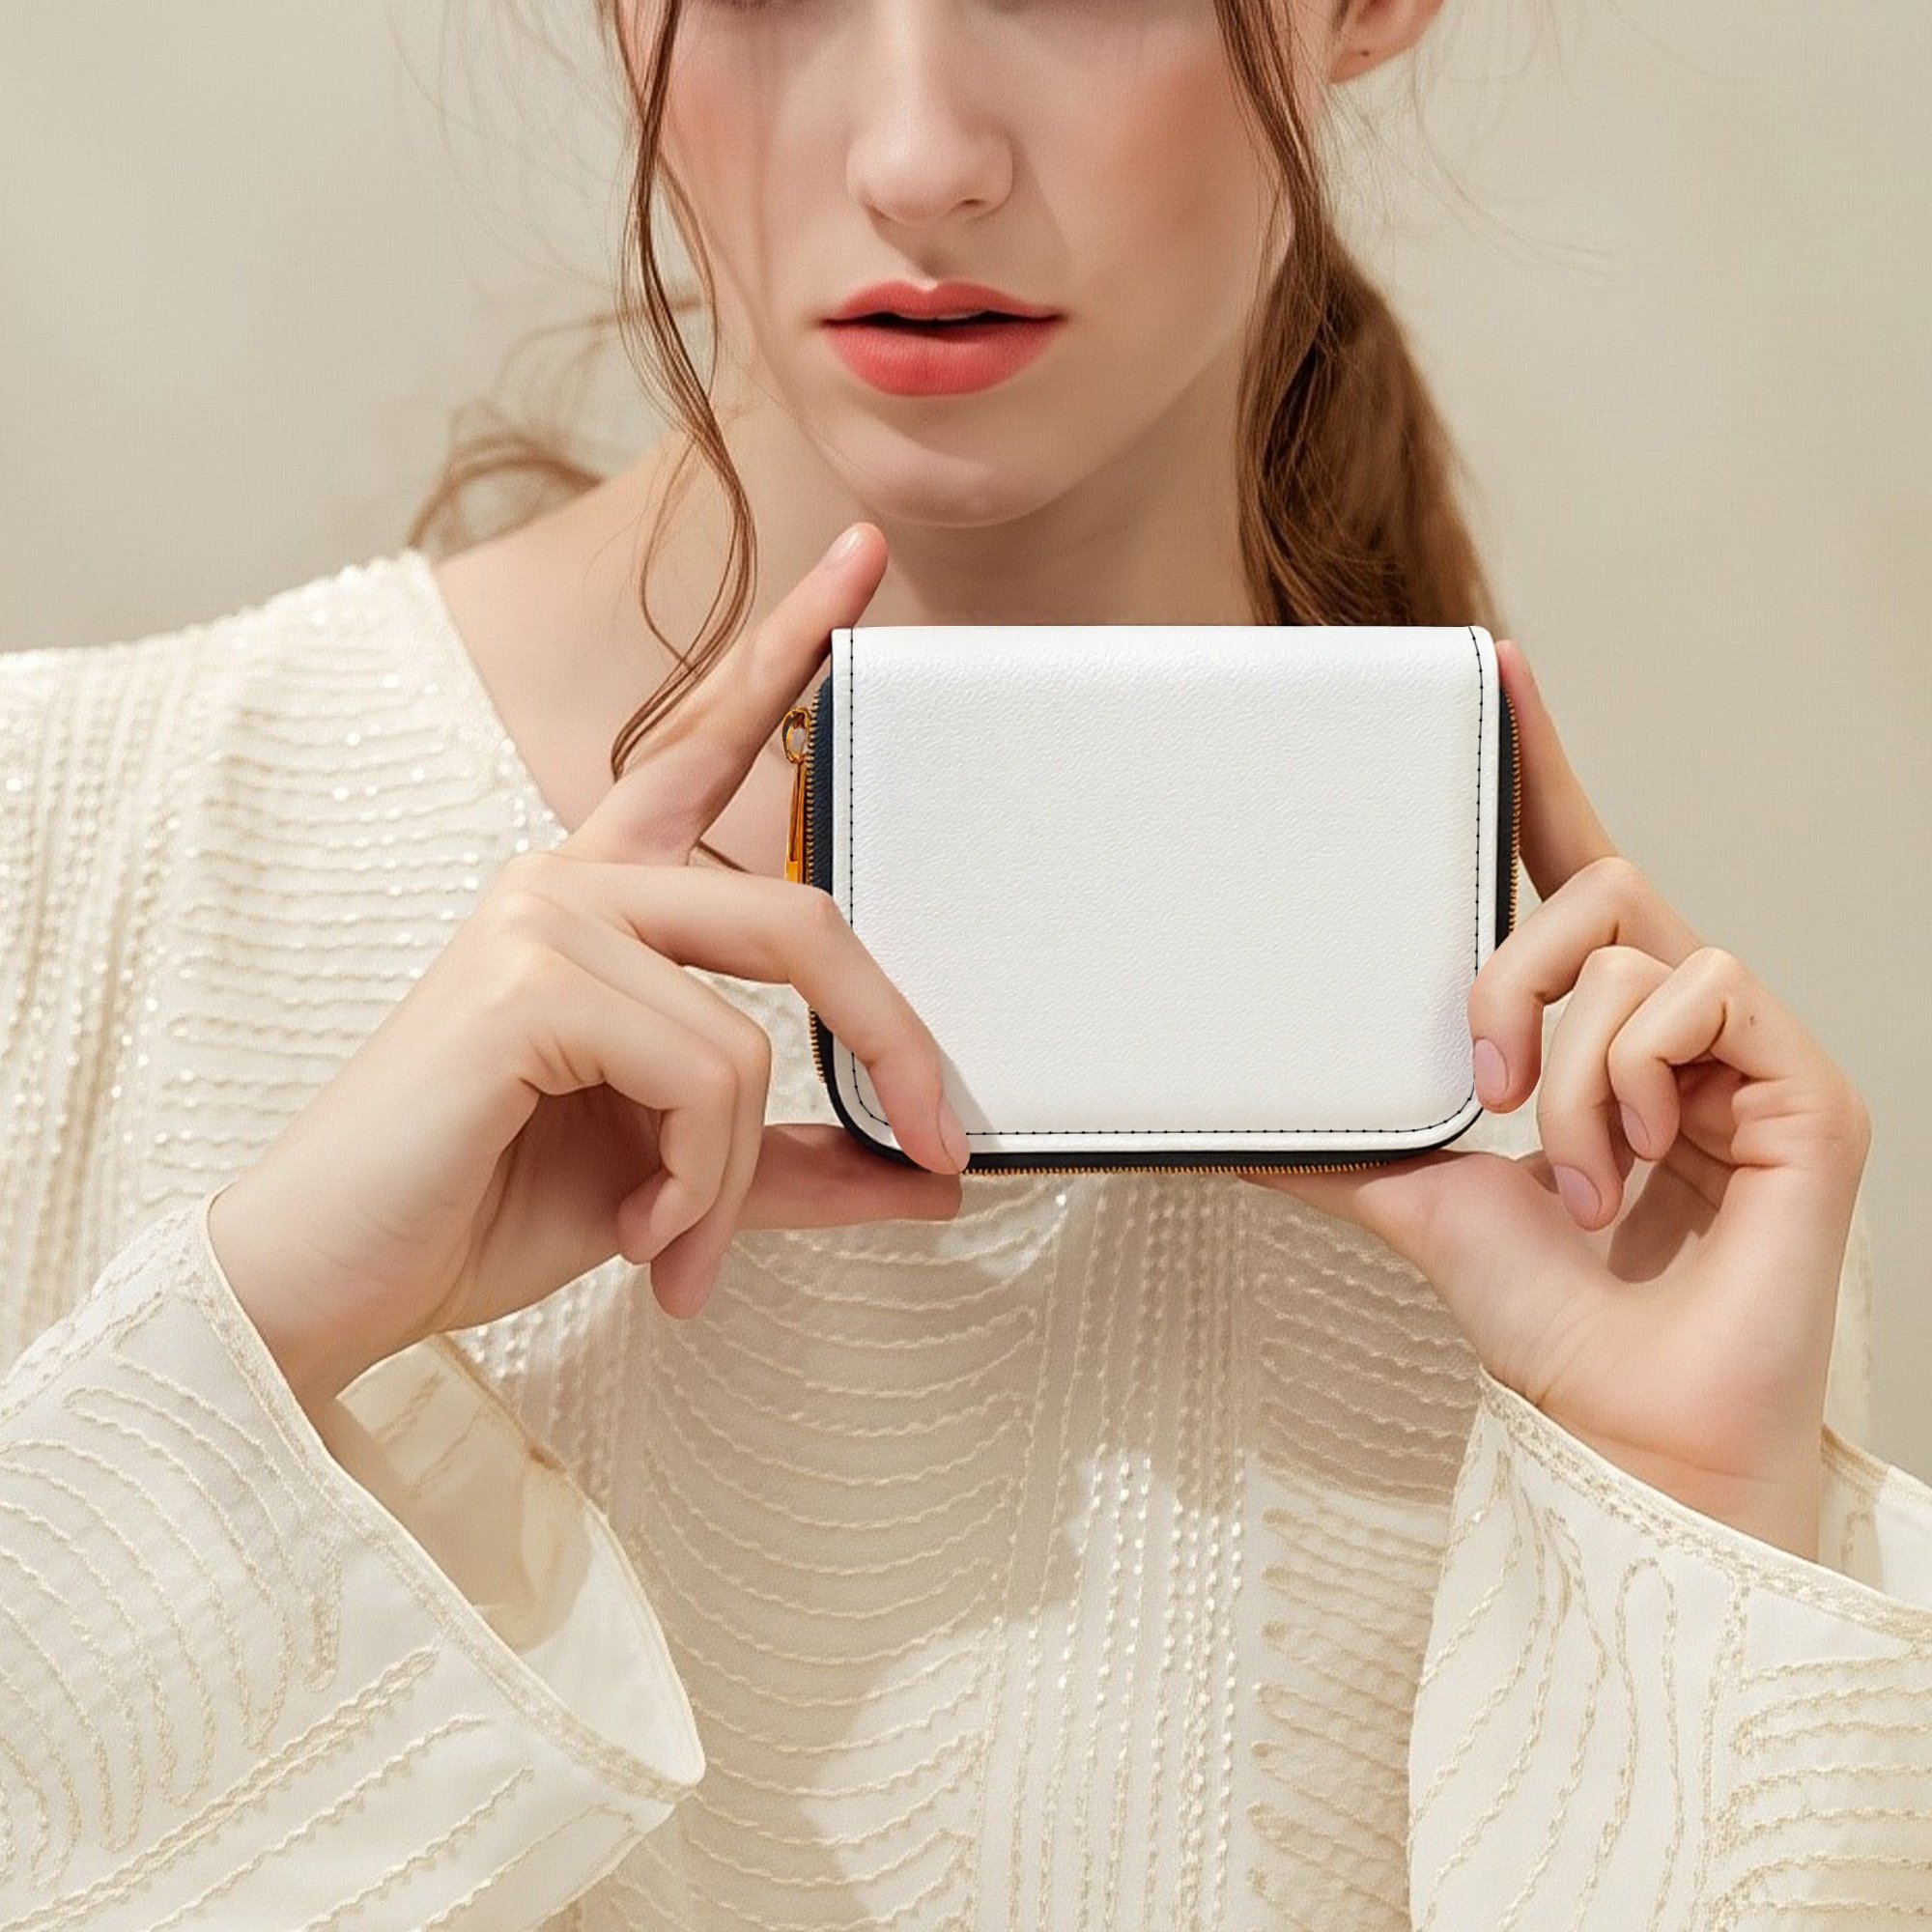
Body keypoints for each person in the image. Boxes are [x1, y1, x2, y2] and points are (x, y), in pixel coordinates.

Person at [3, 0, 1929, 1923]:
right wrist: (239, 1369)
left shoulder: (1618, 1197)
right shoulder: (69, 860)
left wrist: (1699, 1553)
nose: (920, 157)